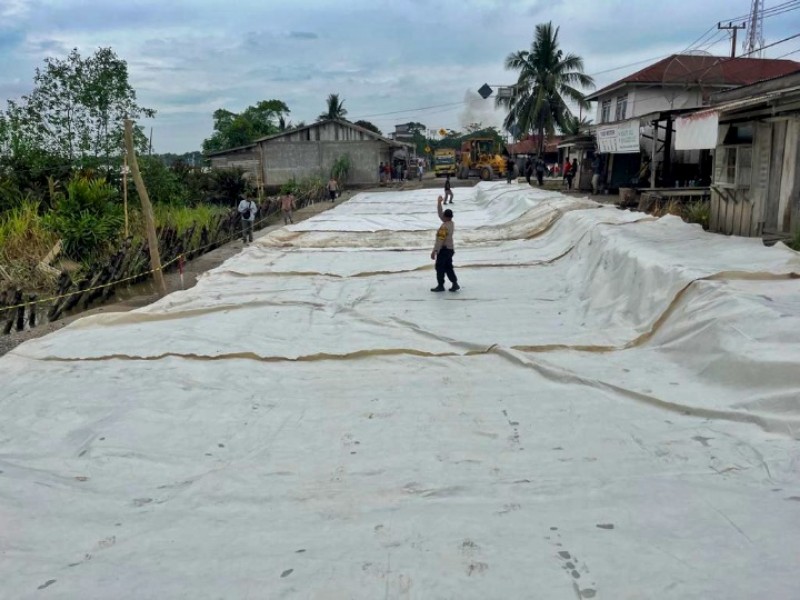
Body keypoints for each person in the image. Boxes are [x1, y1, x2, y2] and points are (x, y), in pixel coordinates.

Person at [430, 195, 459, 293]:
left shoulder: (444, 227)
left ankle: (440, 285)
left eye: (444, 216)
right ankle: (455, 283)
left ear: (446, 217)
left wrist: (434, 251)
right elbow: (440, 214)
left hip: (444, 250)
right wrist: (439, 203)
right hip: (450, 249)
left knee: (439, 267)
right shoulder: (451, 223)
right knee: (448, 267)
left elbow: (440, 240)